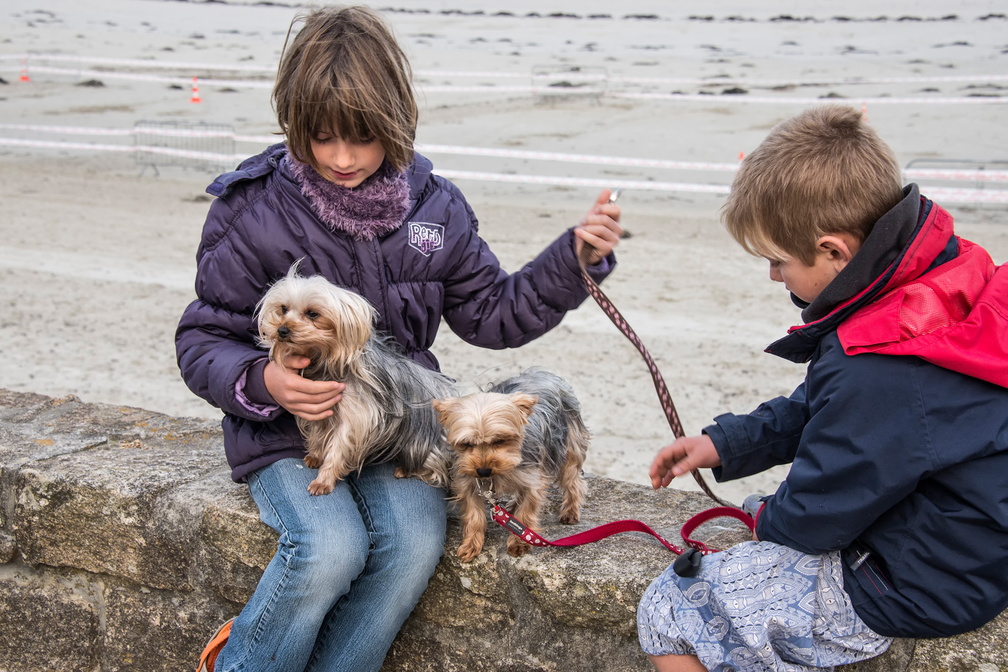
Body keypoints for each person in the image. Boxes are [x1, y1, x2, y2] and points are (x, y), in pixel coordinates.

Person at [175, 6, 623, 672]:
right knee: (329, 549)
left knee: (412, 548)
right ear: (295, 125)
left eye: (362, 138)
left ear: (396, 121)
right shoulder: (254, 208)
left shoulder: (435, 207)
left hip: (403, 429)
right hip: (284, 435)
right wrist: (264, 383)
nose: (343, 158)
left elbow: (494, 314)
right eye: (322, 139)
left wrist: (573, 261)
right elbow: (205, 335)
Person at [637, 104, 1008, 672]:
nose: (772, 276)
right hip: (972, 530)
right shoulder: (938, 282)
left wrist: (765, 517)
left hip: (922, 578)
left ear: (834, 250)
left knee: (668, 607)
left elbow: (818, 514)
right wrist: (727, 444)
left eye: (777, 261)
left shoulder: (879, 367)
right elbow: (833, 407)